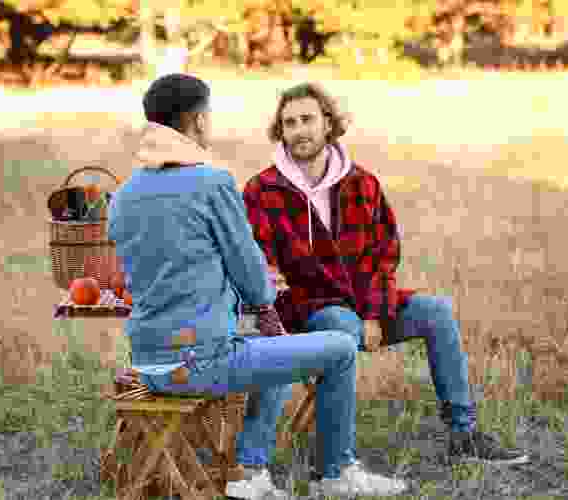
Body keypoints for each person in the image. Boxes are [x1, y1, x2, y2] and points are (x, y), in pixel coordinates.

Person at [107, 73, 409, 500]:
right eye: (207, 116)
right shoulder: (210, 183)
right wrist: (259, 295)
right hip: (203, 361)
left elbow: (142, 273)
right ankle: (333, 473)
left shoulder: (122, 197)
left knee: (268, 344)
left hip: (149, 363)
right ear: (196, 122)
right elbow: (253, 278)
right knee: (340, 349)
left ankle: (251, 469)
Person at [242, 82, 531, 469]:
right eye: (289, 122)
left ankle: (464, 432)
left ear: (328, 123)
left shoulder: (362, 183)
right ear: (281, 131)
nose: (299, 130)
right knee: (339, 322)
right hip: (306, 310)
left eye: (307, 119)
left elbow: (384, 255)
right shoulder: (262, 190)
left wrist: (375, 314)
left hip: (365, 305)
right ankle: (334, 464)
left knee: (436, 311)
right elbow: (259, 262)